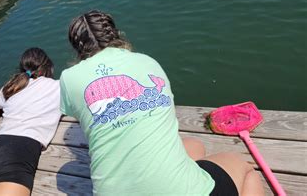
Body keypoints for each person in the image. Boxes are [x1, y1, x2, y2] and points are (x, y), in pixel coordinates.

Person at [59, 10, 264, 195]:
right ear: (114, 34)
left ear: (77, 47)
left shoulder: (69, 78)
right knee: (243, 167)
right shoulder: (148, 62)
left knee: (195, 146)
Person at [0, 47, 61, 196]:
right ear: (49, 67)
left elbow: (1, 103)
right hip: (20, 150)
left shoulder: (9, 87)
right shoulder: (58, 86)